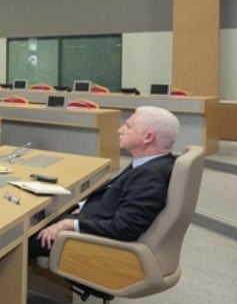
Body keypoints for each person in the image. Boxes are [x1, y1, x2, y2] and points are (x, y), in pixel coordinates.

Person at [32, 107, 181, 257]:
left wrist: (69, 224)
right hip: (94, 217)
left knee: (25, 239)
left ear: (148, 137)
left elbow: (123, 229)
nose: (120, 130)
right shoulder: (153, 163)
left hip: (95, 242)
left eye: (128, 126)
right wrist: (84, 206)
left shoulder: (149, 175)